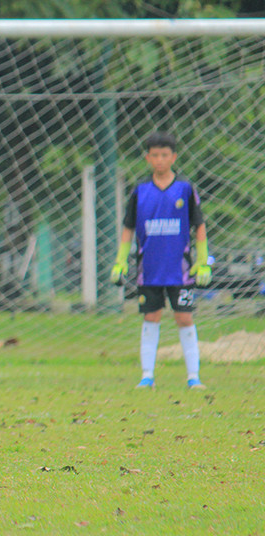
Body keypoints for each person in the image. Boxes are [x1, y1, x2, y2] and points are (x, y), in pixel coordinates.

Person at [111, 132, 211, 389]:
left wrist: (202, 261)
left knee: (184, 318)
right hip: (149, 269)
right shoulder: (140, 191)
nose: (160, 159)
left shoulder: (185, 189)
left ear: (173, 157)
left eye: (164, 155)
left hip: (181, 269)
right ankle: (147, 376)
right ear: (147, 158)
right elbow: (128, 227)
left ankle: (193, 377)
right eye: (154, 155)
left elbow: (199, 225)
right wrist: (121, 261)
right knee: (151, 317)